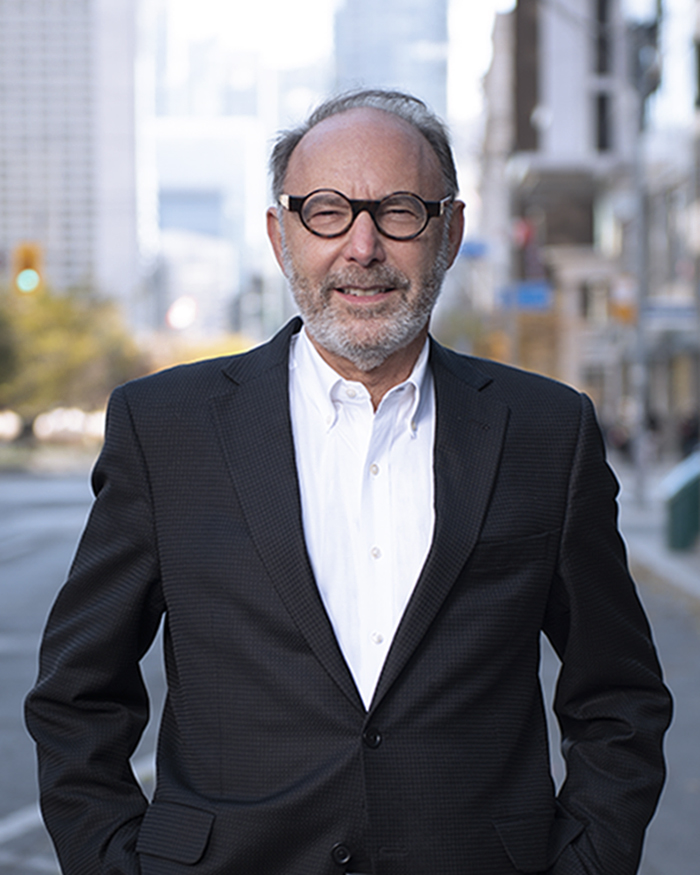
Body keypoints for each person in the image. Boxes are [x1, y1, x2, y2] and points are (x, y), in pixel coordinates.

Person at [26, 89, 671, 875]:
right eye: (326, 211)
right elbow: (76, 694)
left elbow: (618, 695)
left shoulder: (549, 432)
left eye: (399, 210)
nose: (362, 246)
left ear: (451, 231)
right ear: (280, 234)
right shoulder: (165, 429)